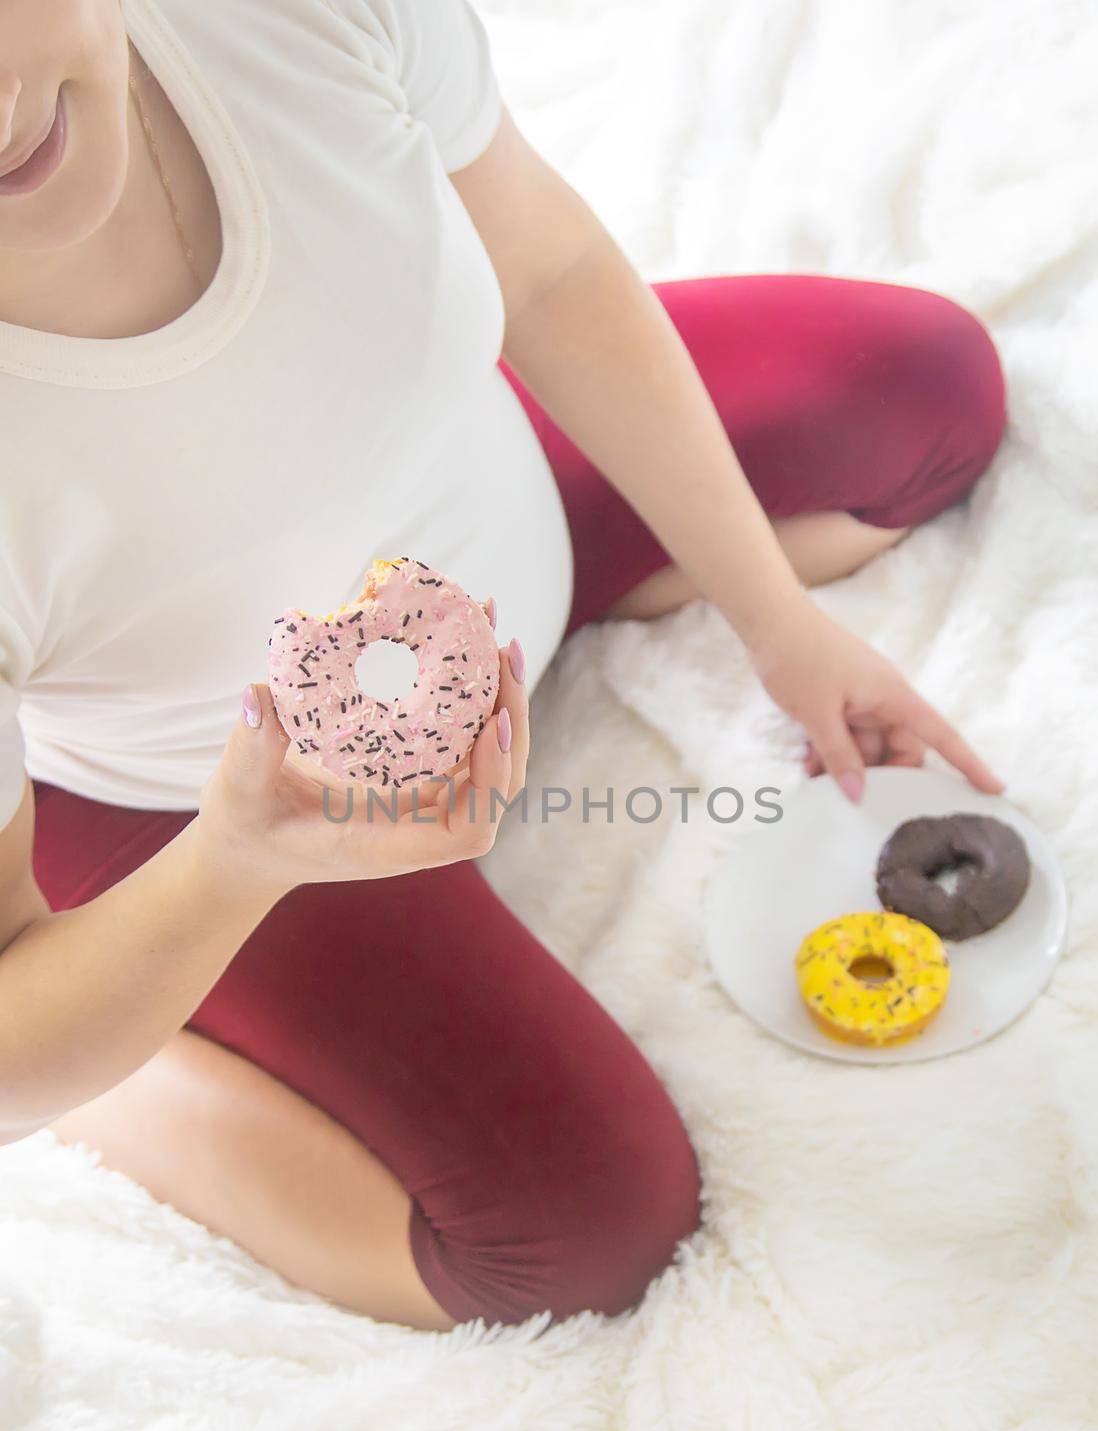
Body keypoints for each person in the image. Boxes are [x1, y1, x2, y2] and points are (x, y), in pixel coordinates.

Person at [0, 0, 1007, 1332]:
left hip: (486, 491)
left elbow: (539, 273)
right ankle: (132, 1069)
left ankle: (593, 599)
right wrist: (246, 856)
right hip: (208, 799)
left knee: (927, 387)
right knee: (575, 1240)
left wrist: (769, 616)